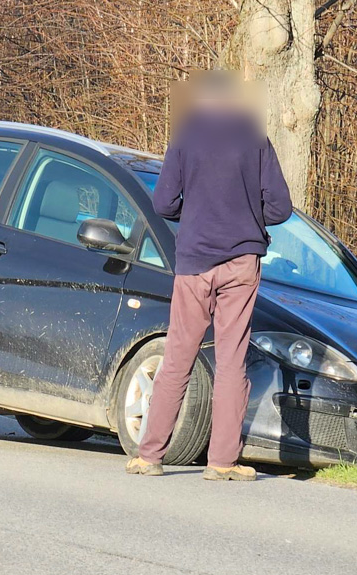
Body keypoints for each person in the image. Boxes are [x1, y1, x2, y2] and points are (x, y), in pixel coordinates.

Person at [126, 72, 292, 481]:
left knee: (179, 353)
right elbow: (281, 209)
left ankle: (150, 456)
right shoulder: (254, 138)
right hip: (241, 262)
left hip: (194, 262)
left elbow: (164, 203)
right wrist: (248, 218)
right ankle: (222, 462)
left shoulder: (186, 136)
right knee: (233, 359)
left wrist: (197, 214)